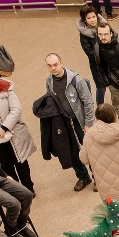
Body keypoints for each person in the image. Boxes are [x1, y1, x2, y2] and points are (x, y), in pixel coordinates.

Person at [40, 53, 95, 192]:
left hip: (80, 122)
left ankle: (98, 177)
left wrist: (88, 124)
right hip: (64, 123)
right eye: (50, 66)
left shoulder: (76, 80)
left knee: (90, 151)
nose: (53, 68)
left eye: (55, 64)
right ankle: (83, 177)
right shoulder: (49, 81)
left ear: (61, 63)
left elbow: (88, 103)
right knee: (72, 151)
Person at [75, 5, 109, 106]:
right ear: (84, 20)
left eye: (94, 17)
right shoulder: (84, 34)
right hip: (97, 64)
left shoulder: (104, 26)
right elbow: (89, 52)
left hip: (110, 60)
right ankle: (100, 107)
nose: (92, 20)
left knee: (115, 83)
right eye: (89, 18)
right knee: (101, 86)